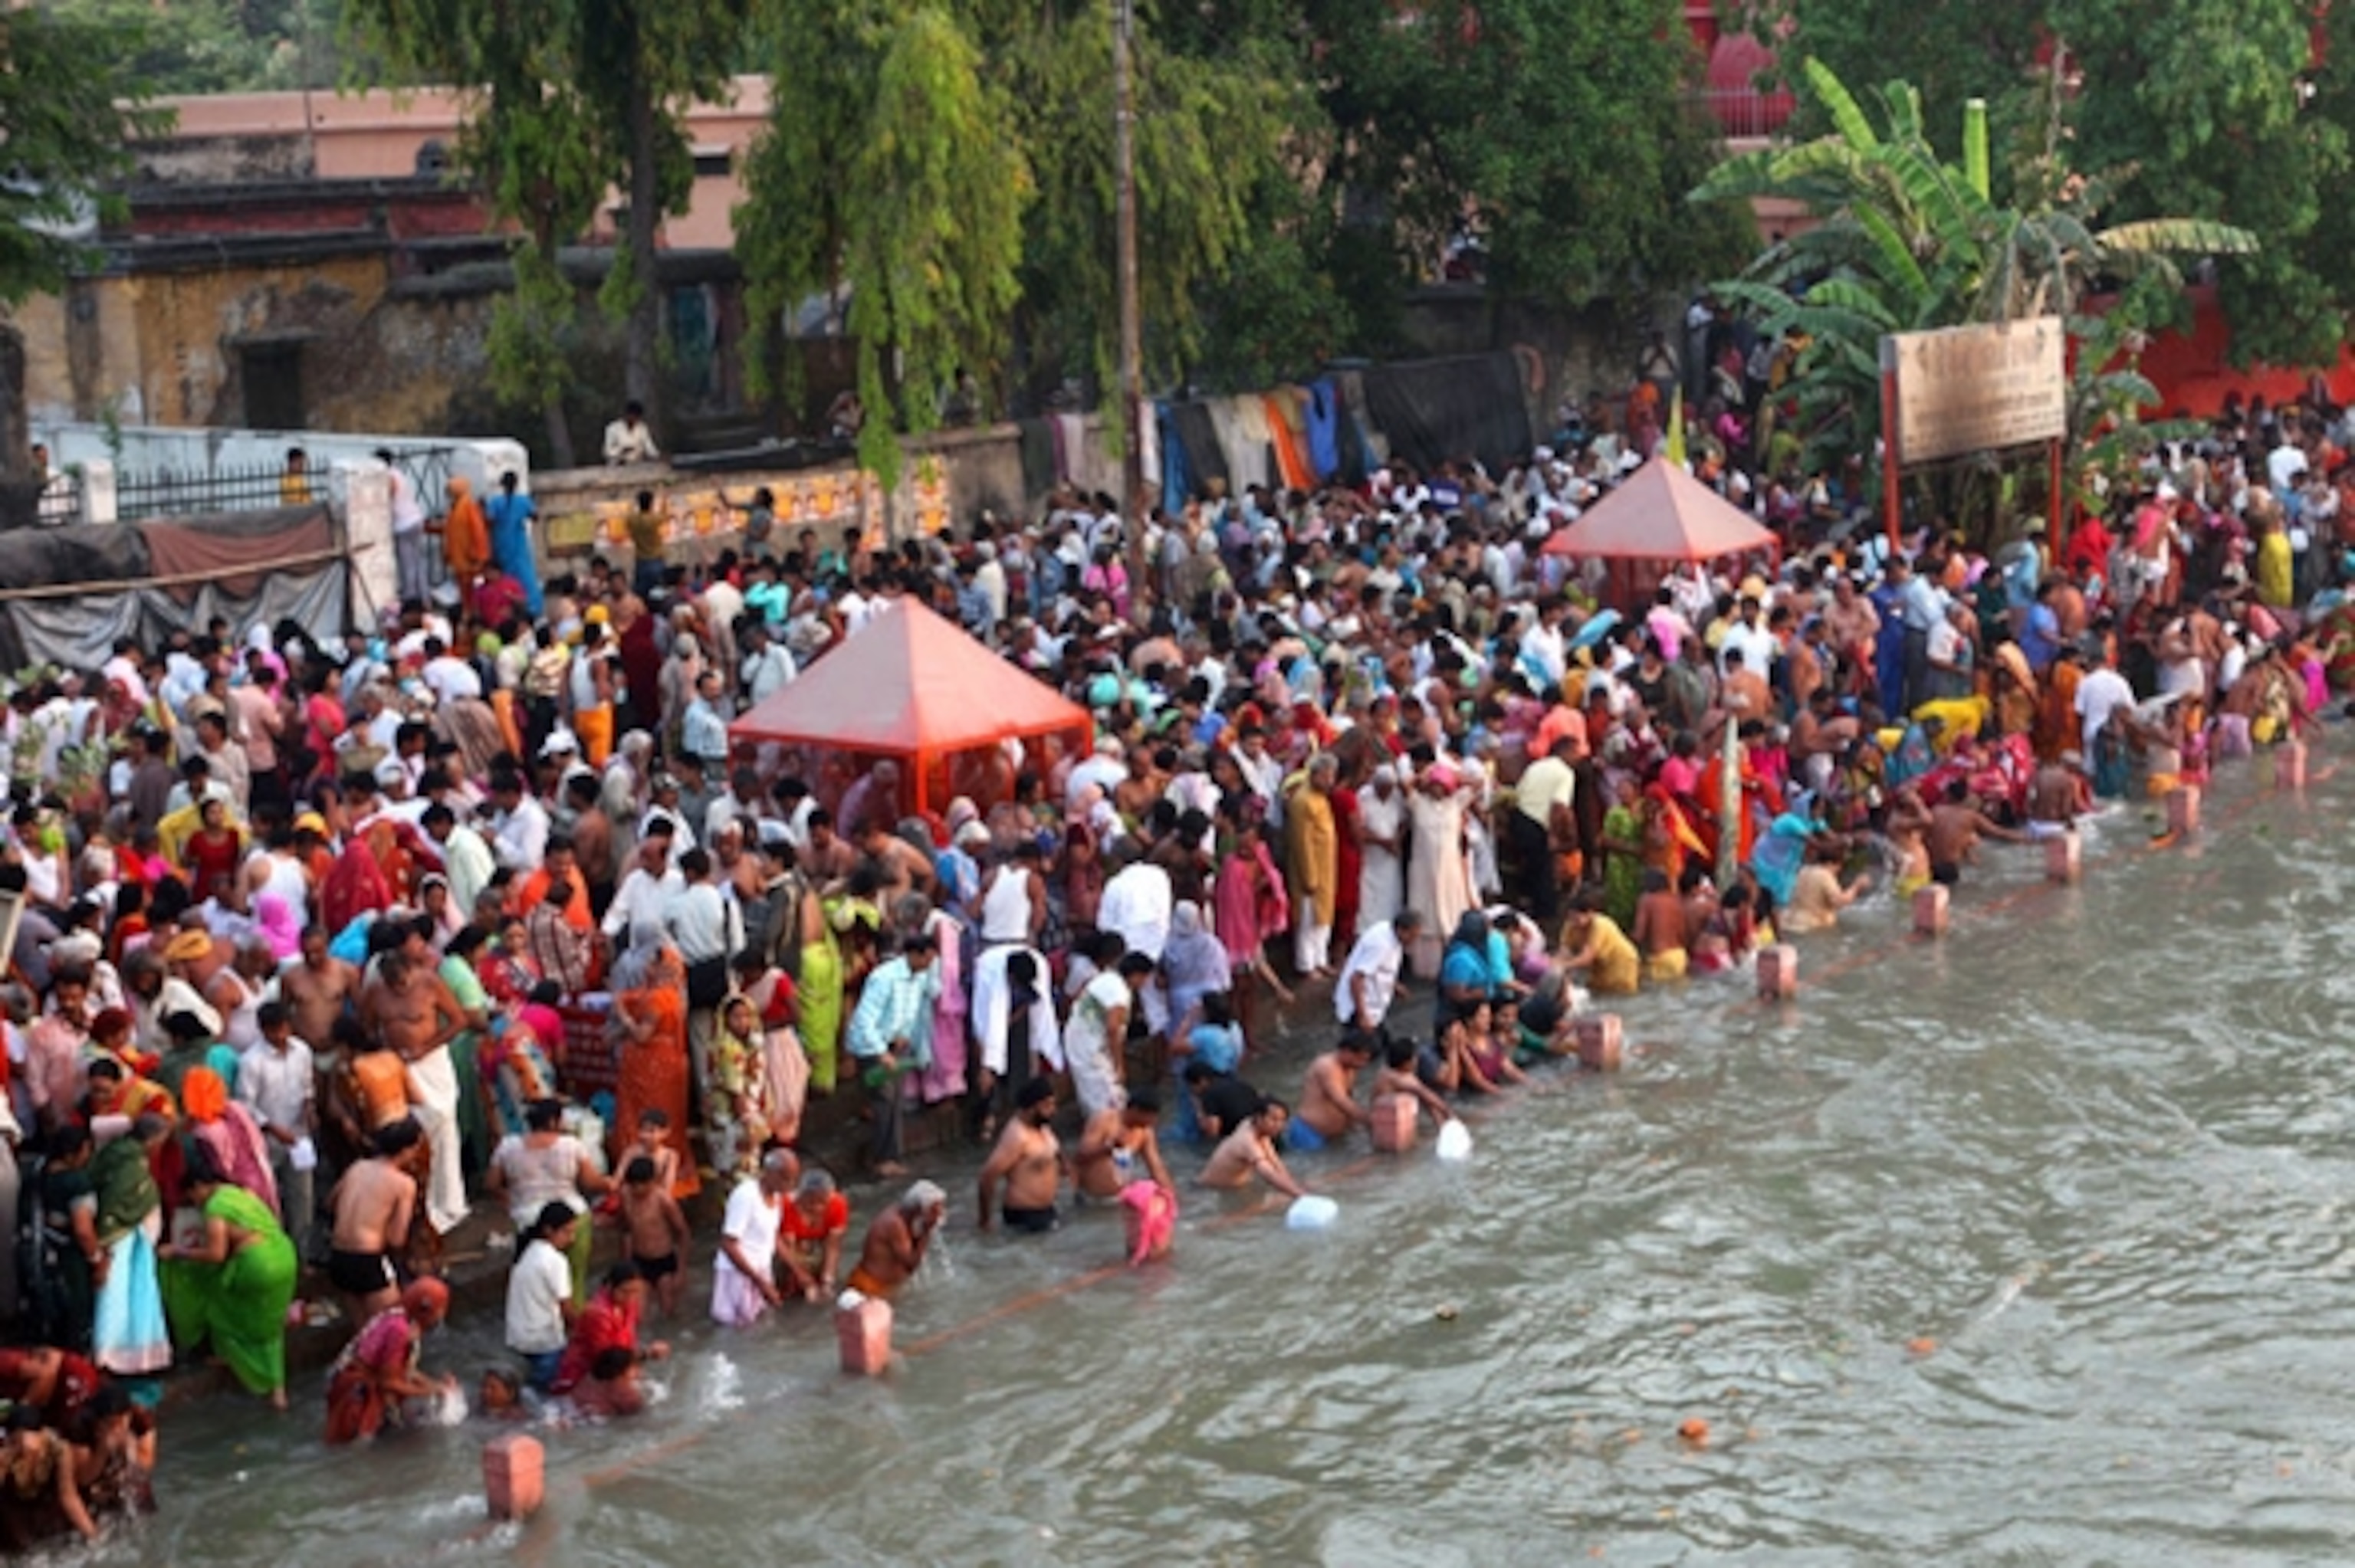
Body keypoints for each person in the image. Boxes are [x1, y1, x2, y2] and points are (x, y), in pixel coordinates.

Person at [158, 1146, 301, 1408]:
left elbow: (216, 1254)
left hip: (258, 1265)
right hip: (285, 1256)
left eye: (192, 1194)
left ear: (201, 1186)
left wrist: (178, 1252)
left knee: (218, 1308)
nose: (195, 1201)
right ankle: (278, 1393)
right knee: (269, 1327)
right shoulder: (239, 1193)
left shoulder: (215, 1208)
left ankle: (234, 1357)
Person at [324, 1277, 456, 1445]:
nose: (440, 1316)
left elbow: (402, 1371)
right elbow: (389, 1382)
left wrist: (435, 1385)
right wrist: (433, 1393)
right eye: (439, 1309)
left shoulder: (398, 1315)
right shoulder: (400, 1330)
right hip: (358, 1396)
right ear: (426, 1310)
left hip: (350, 1384)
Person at [327, 1116, 423, 1323]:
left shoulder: (357, 1167)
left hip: (338, 1256)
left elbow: (330, 1203)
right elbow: (396, 1239)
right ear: (406, 1150)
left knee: (362, 1333)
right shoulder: (404, 1184)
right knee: (391, 1328)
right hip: (367, 1258)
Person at [552, 1262, 670, 1402]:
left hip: (616, 1370)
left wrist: (633, 1368)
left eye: (636, 1291)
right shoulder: (597, 1314)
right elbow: (607, 1359)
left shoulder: (629, 1305)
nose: (631, 1297)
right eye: (625, 1291)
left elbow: (628, 1341)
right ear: (610, 1287)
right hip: (585, 1375)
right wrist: (647, 1354)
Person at [711, 1148, 795, 1328]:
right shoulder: (746, 1196)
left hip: (760, 1269)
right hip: (737, 1272)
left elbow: (772, 1236)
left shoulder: (777, 1197)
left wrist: (797, 1270)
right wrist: (760, 1282)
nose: (790, 1185)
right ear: (770, 1173)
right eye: (786, 1178)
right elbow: (729, 1244)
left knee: (758, 1325)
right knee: (735, 1327)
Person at [504, 1202, 580, 1392]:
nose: (572, 1239)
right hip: (544, 1343)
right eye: (567, 1232)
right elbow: (567, 1308)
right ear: (548, 1230)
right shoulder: (555, 1261)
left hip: (517, 1339)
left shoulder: (526, 1253)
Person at [977, 1076, 1063, 1233]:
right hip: (1024, 1217)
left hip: (1048, 1210)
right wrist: (985, 1220)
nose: (1053, 1110)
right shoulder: (1016, 1137)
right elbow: (988, 1176)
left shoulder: (1042, 1127)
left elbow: (1054, 1152)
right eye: (1047, 1105)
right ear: (1032, 1108)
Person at [613, 1155, 691, 1318]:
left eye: (641, 1185)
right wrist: (624, 1263)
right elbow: (624, 1228)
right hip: (638, 1260)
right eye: (633, 1185)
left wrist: (682, 1270)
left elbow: (682, 1232)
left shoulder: (664, 1200)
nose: (637, 1190)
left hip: (664, 1260)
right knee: (637, 1314)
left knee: (667, 1311)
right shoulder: (625, 1196)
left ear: (652, 1182)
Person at [844, 1182, 947, 1301]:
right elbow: (911, 1264)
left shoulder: (906, 1216)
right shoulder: (895, 1224)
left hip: (885, 1287)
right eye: (934, 1209)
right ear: (919, 1208)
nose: (940, 1213)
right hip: (870, 1288)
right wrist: (927, 1231)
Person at [1198, 1097, 1310, 1199]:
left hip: (1233, 1188)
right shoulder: (1247, 1141)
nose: (1279, 1125)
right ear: (1258, 1118)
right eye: (1274, 1120)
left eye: (1282, 1120)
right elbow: (1268, 1174)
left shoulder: (1254, 1127)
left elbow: (1275, 1162)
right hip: (1212, 1191)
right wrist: (1299, 1195)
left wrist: (1295, 1186)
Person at [1072, 1091, 1174, 1201]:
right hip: (1091, 1200)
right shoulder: (1104, 1120)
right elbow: (1080, 1156)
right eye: (1151, 1117)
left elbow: (1156, 1167)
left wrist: (1169, 1197)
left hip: (1121, 1199)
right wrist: (1109, 1148)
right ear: (1136, 1110)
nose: (1153, 1121)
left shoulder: (1146, 1132)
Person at [1335, 908, 1419, 1033]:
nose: (1414, 940)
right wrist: (1362, 1016)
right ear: (1402, 930)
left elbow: (1381, 968)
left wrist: (1394, 985)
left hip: (1374, 1008)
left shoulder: (1390, 933)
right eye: (1412, 936)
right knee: (1357, 1051)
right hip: (1359, 1009)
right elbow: (1356, 979)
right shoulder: (1381, 945)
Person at [1290, 1030, 1375, 1150]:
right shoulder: (1327, 1066)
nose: (1363, 1064)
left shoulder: (1351, 1068)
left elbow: (1349, 1098)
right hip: (1310, 1132)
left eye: (1366, 1060)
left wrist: (1354, 1125)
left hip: (1332, 1135)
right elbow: (1340, 1100)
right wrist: (1368, 1120)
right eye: (1361, 1059)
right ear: (1347, 1051)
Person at [776, 1169, 850, 1304]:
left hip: (817, 1248)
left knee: (830, 1288)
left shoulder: (838, 1203)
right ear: (800, 1196)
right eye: (811, 1202)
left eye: (823, 1203)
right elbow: (787, 1247)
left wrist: (827, 1280)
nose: (818, 1208)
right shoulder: (786, 1204)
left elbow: (833, 1246)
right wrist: (804, 1280)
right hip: (790, 1252)